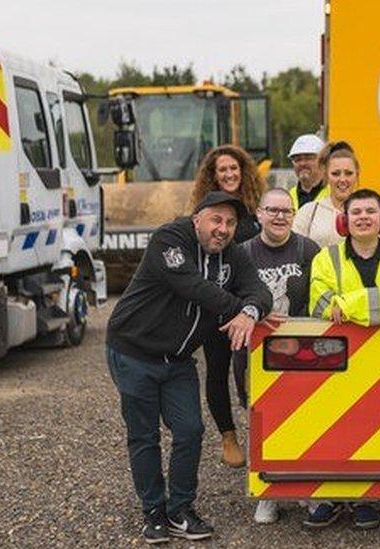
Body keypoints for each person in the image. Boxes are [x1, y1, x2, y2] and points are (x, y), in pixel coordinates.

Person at [106, 191, 271, 543]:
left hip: (179, 360)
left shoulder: (233, 253)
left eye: (229, 223)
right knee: (144, 435)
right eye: (216, 220)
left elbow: (260, 291)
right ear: (197, 219)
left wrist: (251, 311)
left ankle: (180, 509)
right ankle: (153, 510)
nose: (223, 229)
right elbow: (193, 287)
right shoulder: (169, 239)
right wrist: (238, 308)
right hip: (134, 351)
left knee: (190, 431)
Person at [304, 189, 380, 529]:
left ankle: (365, 498)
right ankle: (330, 496)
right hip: (336, 360)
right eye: (357, 212)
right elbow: (321, 303)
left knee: (372, 426)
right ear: (344, 220)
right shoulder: (326, 259)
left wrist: (349, 306)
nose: (364, 217)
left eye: (371, 211)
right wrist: (364, 306)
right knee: (328, 426)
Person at [235, 188, 321, 524]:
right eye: (272, 210)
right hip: (254, 351)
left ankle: (306, 492)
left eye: (286, 211)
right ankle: (268, 494)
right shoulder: (242, 253)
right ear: (258, 213)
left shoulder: (307, 249)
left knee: (304, 418)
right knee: (259, 419)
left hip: (300, 350)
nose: (280, 216)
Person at [189, 145, 266, 468]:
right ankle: (228, 435)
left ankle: (261, 432)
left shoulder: (257, 211)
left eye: (234, 168)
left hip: (253, 304)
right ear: (213, 175)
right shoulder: (204, 214)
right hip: (218, 308)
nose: (229, 174)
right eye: (222, 170)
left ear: (244, 171)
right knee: (219, 370)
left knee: (253, 372)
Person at [292, 146, 360, 248]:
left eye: (348, 173)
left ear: (357, 174)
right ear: (326, 175)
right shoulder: (308, 212)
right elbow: (293, 252)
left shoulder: (369, 212)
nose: (342, 179)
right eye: (335, 174)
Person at [287, 134, 329, 210]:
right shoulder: (288, 197)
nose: (302, 163)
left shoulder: (334, 195)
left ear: (323, 161)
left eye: (308, 158)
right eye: (298, 160)